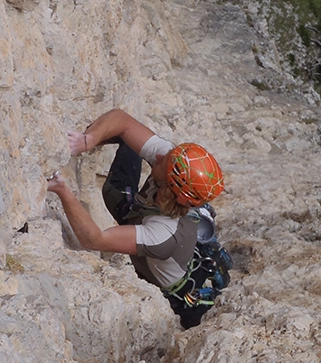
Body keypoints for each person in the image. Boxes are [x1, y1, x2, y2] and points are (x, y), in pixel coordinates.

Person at [46, 109, 225, 328]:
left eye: (163, 161)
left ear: (171, 185)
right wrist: (88, 140)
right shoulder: (170, 164)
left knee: (114, 193)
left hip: (174, 296)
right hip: (149, 218)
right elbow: (123, 121)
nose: (159, 155)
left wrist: (63, 190)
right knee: (128, 144)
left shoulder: (164, 235)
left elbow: (94, 239)